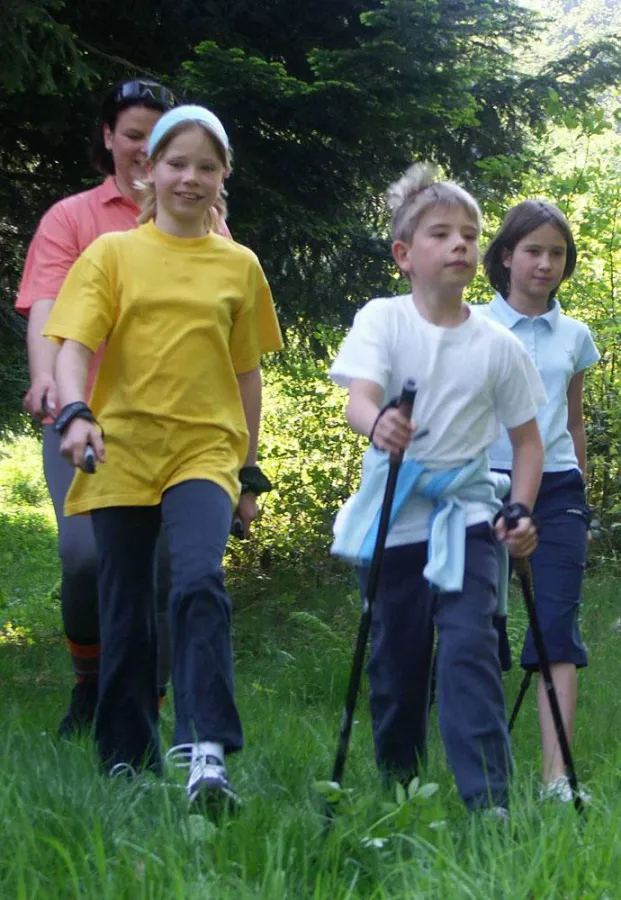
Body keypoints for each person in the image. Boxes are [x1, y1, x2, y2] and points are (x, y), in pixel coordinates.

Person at [42, 104, 282, 809]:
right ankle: (125, 755)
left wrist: (247, 470)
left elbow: (246, 375)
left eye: (206, 166)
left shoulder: (239, 266)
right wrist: (76, 411)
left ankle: (205, 749)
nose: (190, 178)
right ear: (147, 172)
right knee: (125, 604)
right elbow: (73, 347)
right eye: (176, 163)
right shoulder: (112, 255)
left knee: (198, 580)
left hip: (205, 449)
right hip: (121, 447)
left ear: (222, 177)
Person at [15, 80, 231, 738]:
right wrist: (50, 382)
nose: (144, 148)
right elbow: (49, 305)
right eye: (132, 133)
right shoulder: (74, 219)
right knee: (85, 560)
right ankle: (91, 679)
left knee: (172, 571)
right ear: (109, 137)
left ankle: (146, 712)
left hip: (177, 425)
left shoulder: (202, 214)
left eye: (156, 136)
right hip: (89, 417)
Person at [329, 163, 546, 816]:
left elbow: (528, 444)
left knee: (467, 651)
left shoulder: (498, 346)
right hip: (394, 517)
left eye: (469, 234)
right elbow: (359, 400)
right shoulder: (382, 321)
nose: (459, 244)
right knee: (395, 671)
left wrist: (521, 510)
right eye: (439, 234)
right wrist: (380, 424)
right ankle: (400, 790)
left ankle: (490, 804)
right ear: (403, 255)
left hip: (468, 517)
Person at [482, 200, 600, 803]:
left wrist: (582, 505)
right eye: (532, 251)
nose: (545, 264)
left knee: (556, 622)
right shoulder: (471, 325)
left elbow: (572, 423)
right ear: (505, 256)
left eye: (556, 253)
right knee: (480, 627)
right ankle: (482, 770)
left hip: (557, 488)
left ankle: (557, 781)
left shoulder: (576, 336)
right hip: (482, 482)